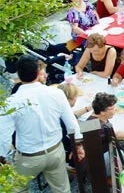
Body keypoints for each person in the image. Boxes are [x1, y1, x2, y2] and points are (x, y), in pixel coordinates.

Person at [0, 55, 84, 193]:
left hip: (28, 157)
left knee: (19, 190)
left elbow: (3, 136)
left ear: (19, 76)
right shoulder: (56, 93)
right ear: (38, 73)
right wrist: (78, 145)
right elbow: (72, 123)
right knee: (62, 189)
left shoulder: (11, 102)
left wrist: (2, 159)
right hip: (55, 151)